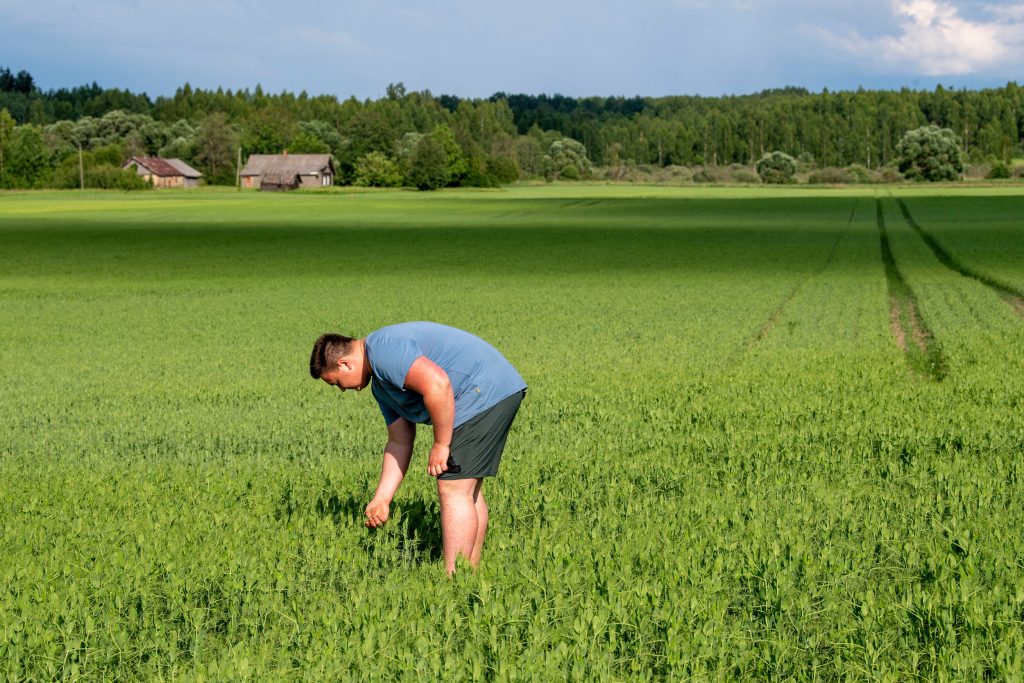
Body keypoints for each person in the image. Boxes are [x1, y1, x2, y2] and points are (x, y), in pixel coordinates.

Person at [309, 322, 527, 574]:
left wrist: (441, 444)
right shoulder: (381, 386)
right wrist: (382, 498)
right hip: (494, 389)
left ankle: (453, 579)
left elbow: (438, 384)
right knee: (466, 489)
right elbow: (399, 441)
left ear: (344, 364)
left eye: (336, 383)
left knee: (453, 488)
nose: (342, 390)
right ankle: (470, 575)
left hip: (482, 389)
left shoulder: (382, 351)